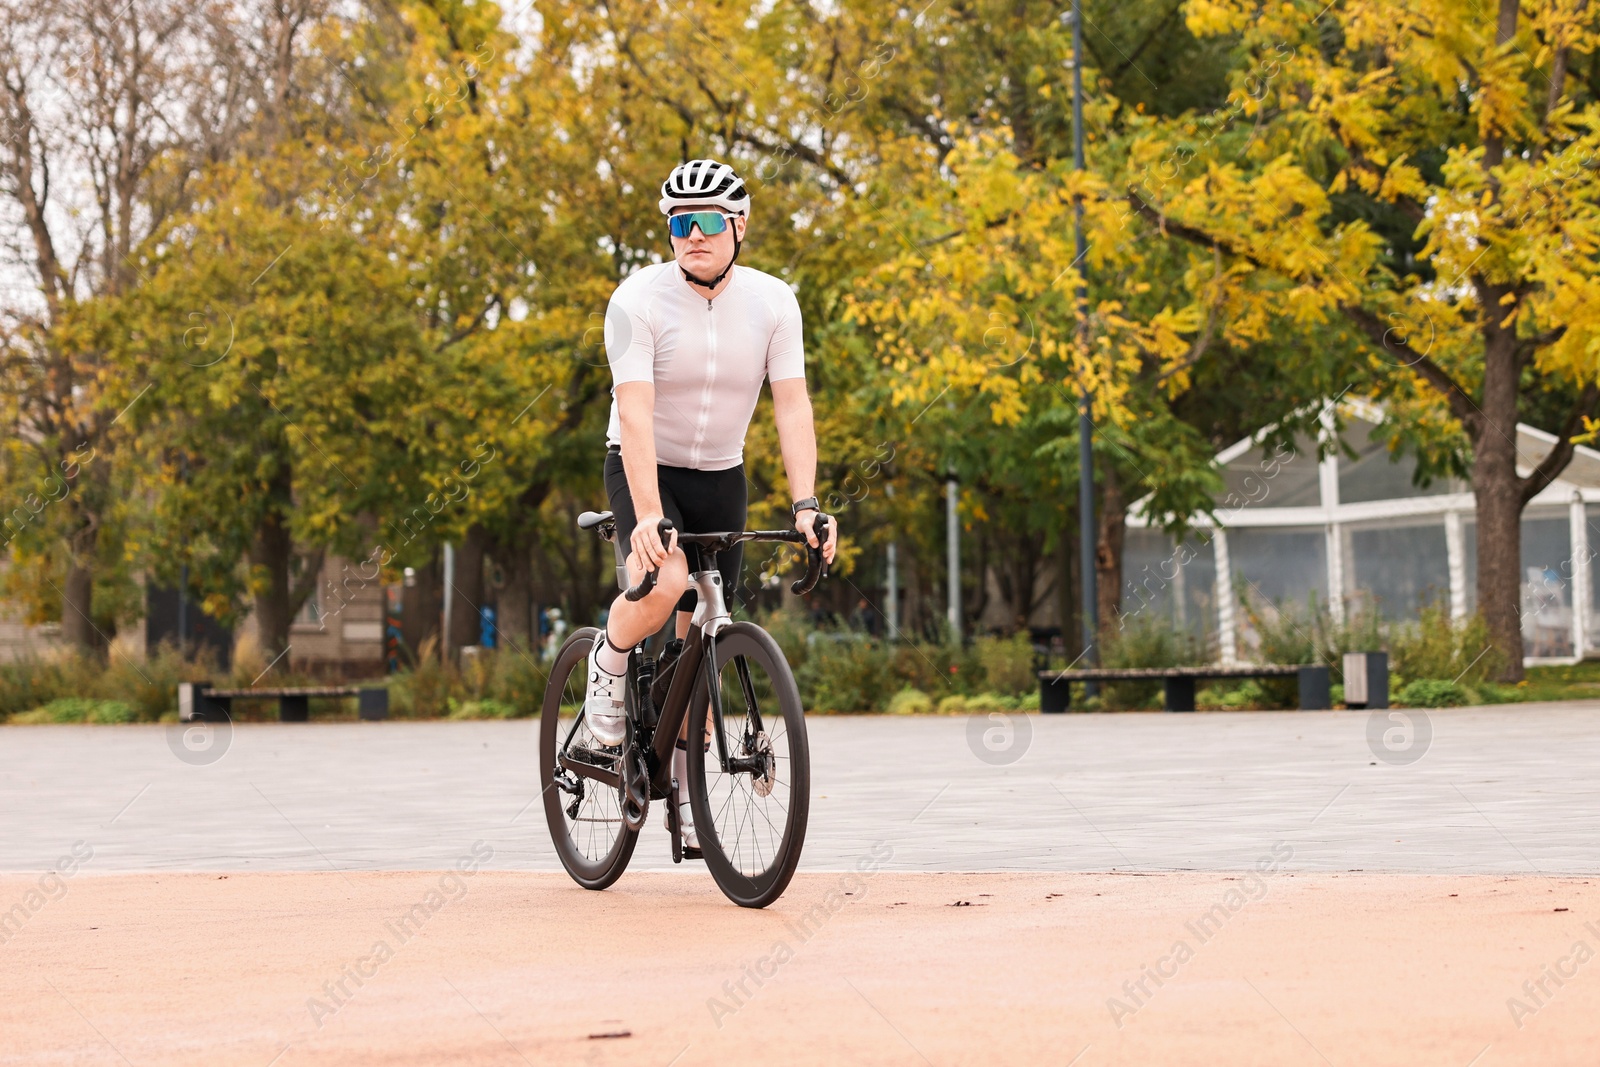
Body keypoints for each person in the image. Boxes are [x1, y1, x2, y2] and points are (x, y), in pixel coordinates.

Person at [585, 158, 838, 848]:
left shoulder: (774, 301)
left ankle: (687, 786)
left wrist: (806, 504)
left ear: (740, 226)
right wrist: (645, 516)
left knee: (706, 626)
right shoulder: (636, 300)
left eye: (706, 223)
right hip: (645, 467)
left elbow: (792, 405)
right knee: (666, 581)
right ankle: (607, 664)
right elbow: (633, 413)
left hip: (720, 473)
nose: (691, 235)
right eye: (677, 223)